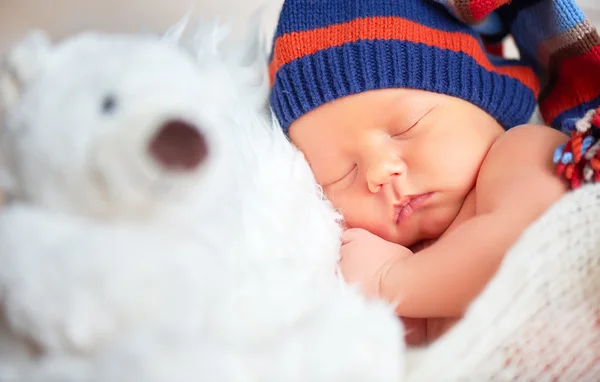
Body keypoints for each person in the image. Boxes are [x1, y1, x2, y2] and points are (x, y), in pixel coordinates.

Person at [268, 0, 600, 346]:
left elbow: (523, 252)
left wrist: (387, 281)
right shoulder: (413, 260)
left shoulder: (526, 152)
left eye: (407, 127)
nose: (379, 172)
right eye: (340, 174)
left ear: (482, 99)